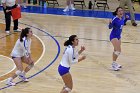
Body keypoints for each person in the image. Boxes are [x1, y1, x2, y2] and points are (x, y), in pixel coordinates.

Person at [108, 7, 128, 71]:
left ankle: (115, 63)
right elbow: (109, 27)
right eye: (119, 11)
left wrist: (126, 19)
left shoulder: (122, 18)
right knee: (118, 51)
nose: (121, 12)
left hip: (119, 36)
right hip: (113, 36)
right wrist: (110, 23)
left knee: (116, 50)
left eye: (121, 11)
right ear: (117, 12)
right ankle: (113, 65)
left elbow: (123, 23)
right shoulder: (115, 19)